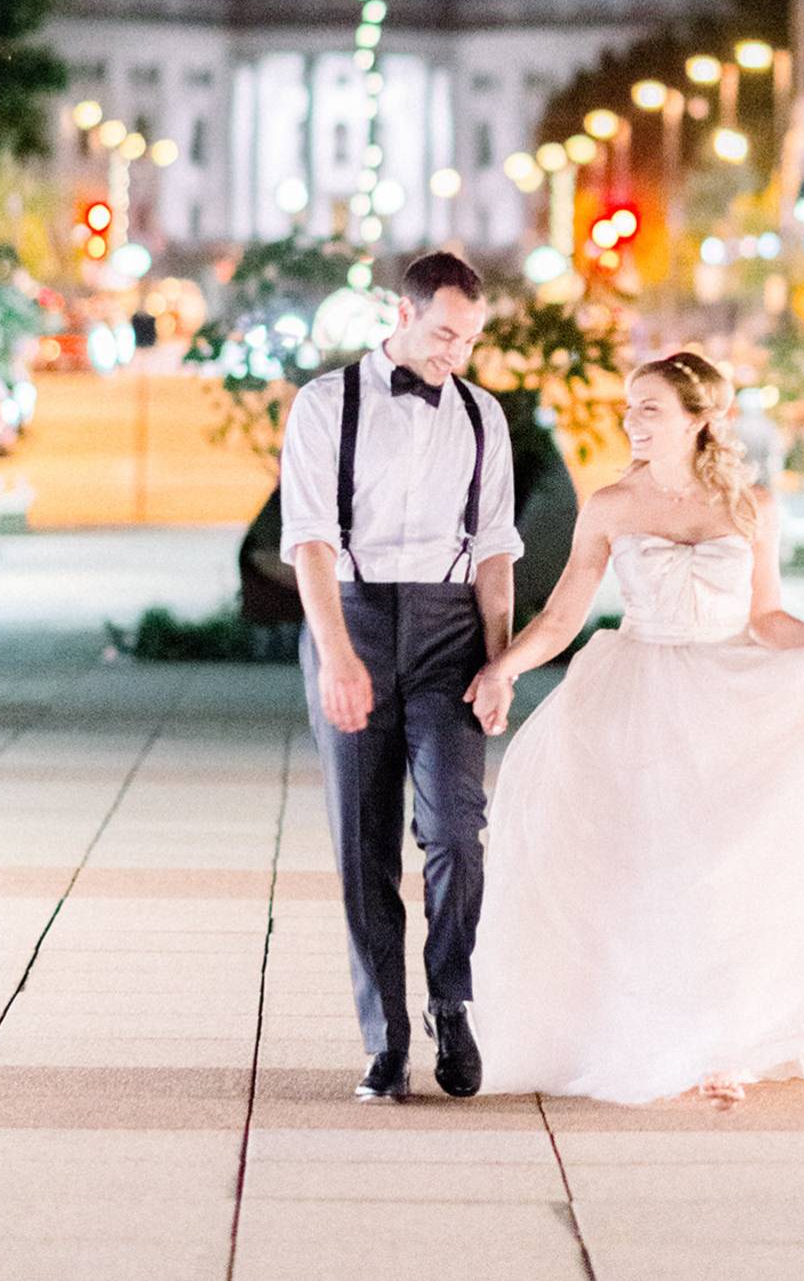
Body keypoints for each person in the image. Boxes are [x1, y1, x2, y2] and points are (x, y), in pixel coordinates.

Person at [465, 349, 804, 1106]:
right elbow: (564, 616)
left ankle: (727, 1040)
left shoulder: (751, 505)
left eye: (650, 408)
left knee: (727, 868)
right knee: (649, 864)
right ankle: (653, 1028)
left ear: (700, 418)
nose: (633, 421)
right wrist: (504, 667)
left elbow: (766, 617)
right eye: (631, 407)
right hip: (637, 693)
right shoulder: (611, 505)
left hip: (730, 693)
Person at [280, 250, 520, 1104]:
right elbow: (310, 539)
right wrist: (337, 654)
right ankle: (385, 1040)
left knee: (456, 829)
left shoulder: (483, 416)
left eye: (471, 340)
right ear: (403, 312)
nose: (457, 353)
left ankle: (450, 1001)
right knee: (363, 842)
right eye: (446, 333)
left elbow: (495, 549)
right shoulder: (325, 404)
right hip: (355, 616)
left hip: (450, 631)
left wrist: (500, 660)